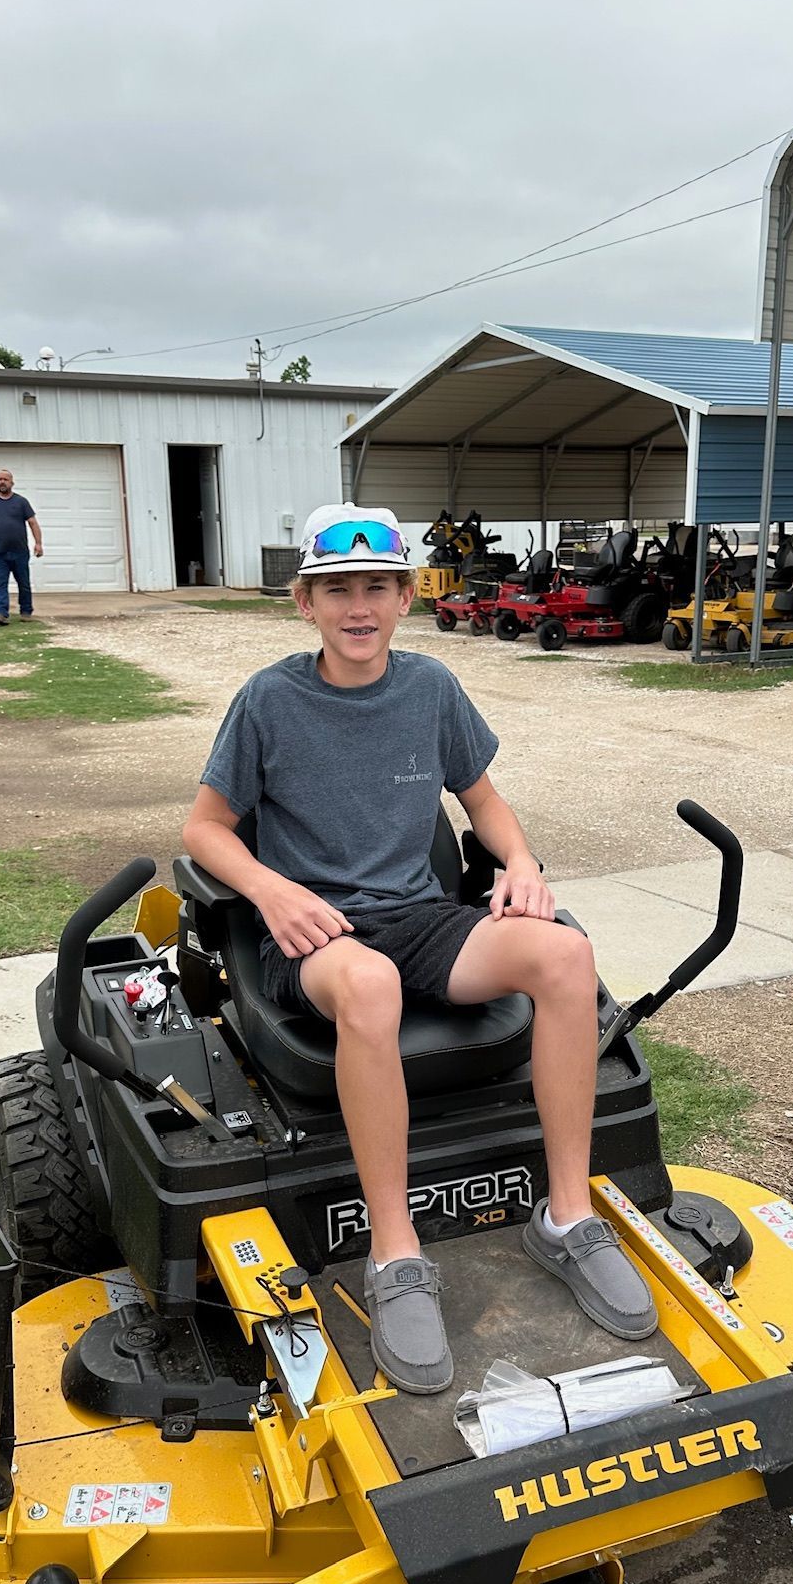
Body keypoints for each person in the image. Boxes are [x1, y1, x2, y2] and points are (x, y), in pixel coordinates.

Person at [182, 502, 656, 1395]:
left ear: (407, 596)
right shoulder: (270, 701)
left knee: (564, 957)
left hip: (421, 915)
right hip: (319, 933)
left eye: (376, 588)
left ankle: (564, 1215)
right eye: (337, 591)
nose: (357, 607)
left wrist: (519, 863)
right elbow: (206, 829)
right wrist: (273, 890)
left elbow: (483, 799)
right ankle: (395, 1255)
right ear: (305, 604)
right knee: (369, 988)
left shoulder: (430, 688)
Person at [0, 469, 42, 625]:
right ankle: (1, 613)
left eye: (5, 479)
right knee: (1, 583)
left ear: (12, 482)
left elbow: (32, 523)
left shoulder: (21, 502)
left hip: (19, 552)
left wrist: (38, 543)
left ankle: (26, 611)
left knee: (24, 583)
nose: (2, 482)